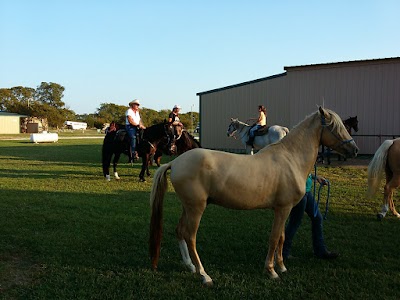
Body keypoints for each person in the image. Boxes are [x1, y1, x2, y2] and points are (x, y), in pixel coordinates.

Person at [283, 174, 339, 260]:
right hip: (299, 193)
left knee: (317, 218)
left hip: (307, 192)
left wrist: (315, 177)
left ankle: (320, 251)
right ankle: (283, 253)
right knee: (294, 222)